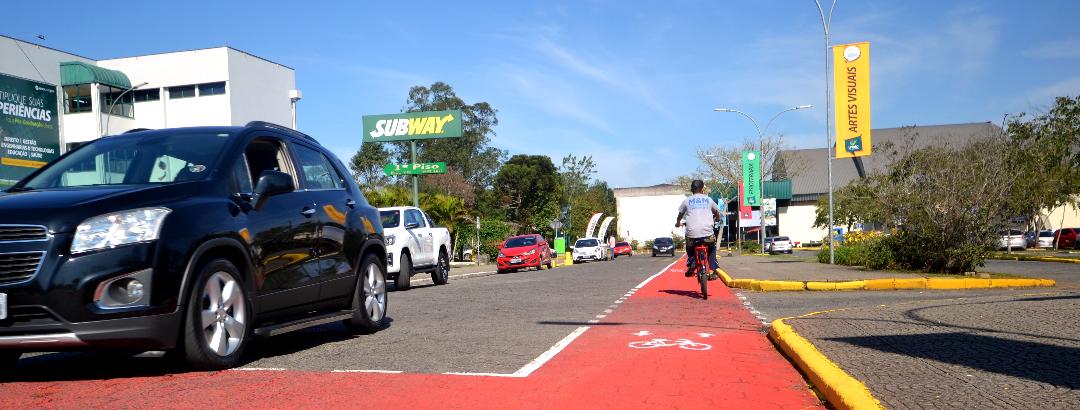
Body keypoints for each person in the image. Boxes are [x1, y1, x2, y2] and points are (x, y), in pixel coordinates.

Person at [675, 180, 722, 280]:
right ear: (702, 189)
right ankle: (713, 269)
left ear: (692, 189)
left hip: (692, 236)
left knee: (689, 245)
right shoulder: (708, 200)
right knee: (712, 248)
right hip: (707, 236)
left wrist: (678, 223)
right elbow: (717, 212)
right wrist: (716, 218)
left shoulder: (687, 200)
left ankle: (692, 261)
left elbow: (680, 214)